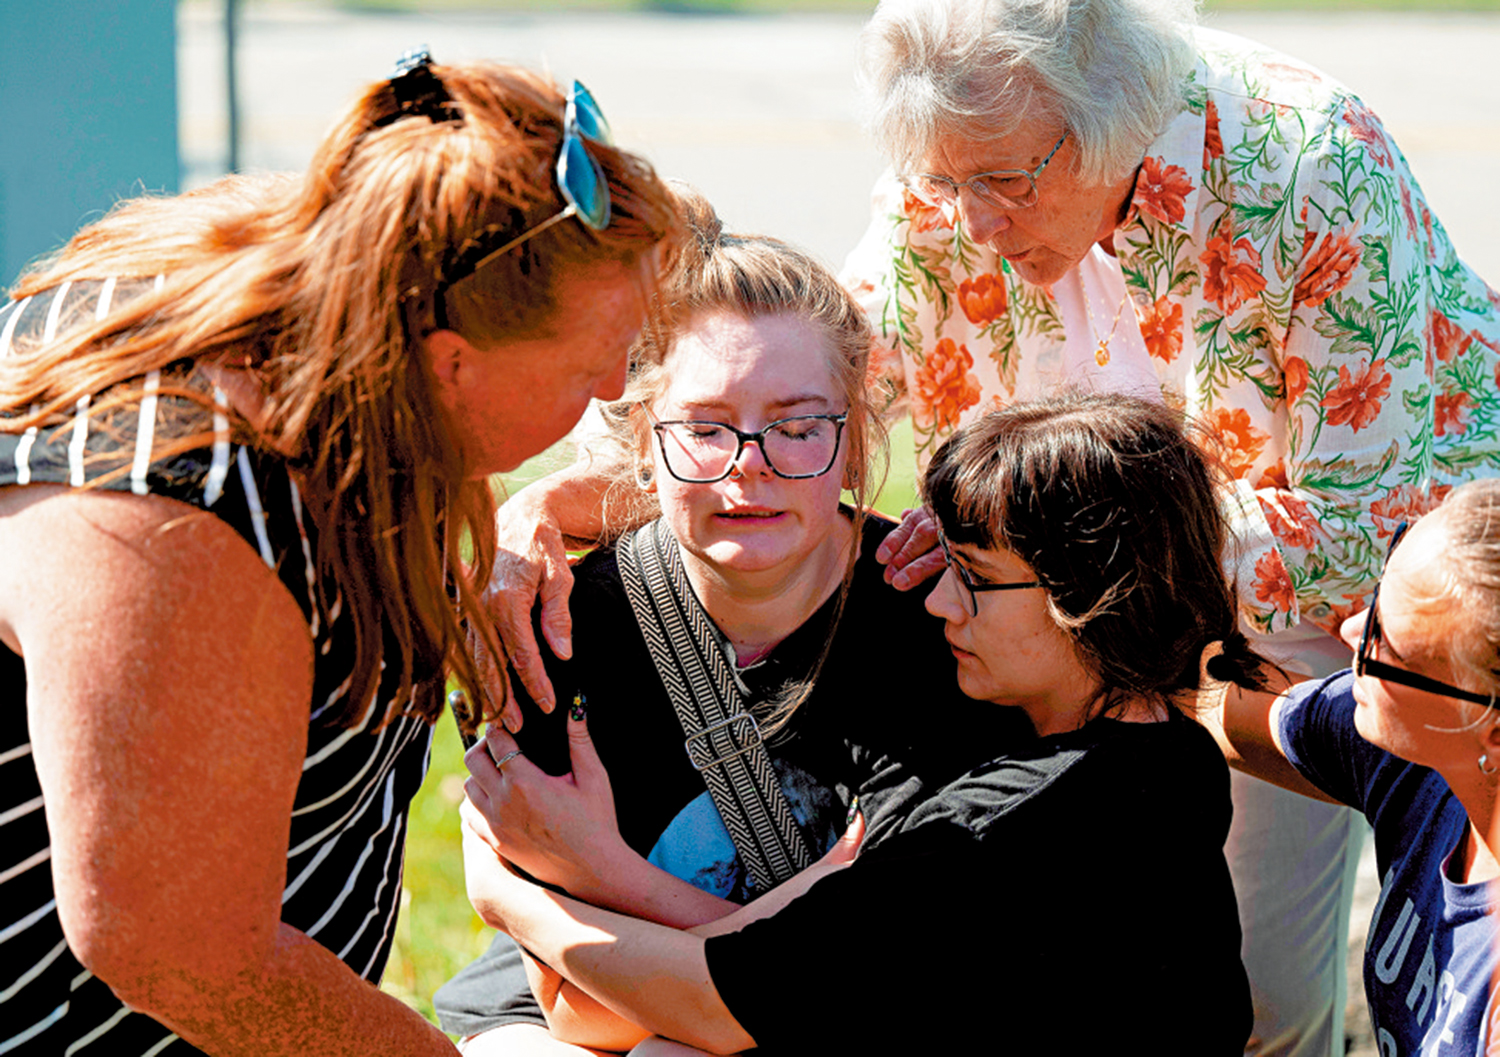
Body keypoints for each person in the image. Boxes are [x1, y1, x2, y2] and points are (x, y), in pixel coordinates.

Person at [835, 2, 1500, 1052]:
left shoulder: (1308, 161)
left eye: (1005, 181)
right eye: (946, 181)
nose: (973, 222)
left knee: (1261, 987)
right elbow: (833, 367)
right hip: (1076, 594)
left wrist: (1084, 553)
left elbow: (1365, 518)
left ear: (1113, 122)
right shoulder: (968, 148)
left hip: (1323, 597)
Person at [0, 50, 680, 1057]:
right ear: (452, 365)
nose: (618, 385)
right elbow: (173, 950)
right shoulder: (181, 509)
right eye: (593, 371)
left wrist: (506, 531)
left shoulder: (339, 296)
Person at [459, 392, 1255, 1055]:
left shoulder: (1007, 828)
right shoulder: (1171, 758)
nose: (937, 600)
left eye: (973, 578)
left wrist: (527, 885)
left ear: (1087, 595)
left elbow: (708, 998)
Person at [435, 193, 1030, 1054]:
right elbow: (580, 1010)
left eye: (795, 427)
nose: (750, 470)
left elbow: (861, 980)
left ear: (855, 432)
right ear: (645, 440)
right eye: (706, 430)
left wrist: (597, 869)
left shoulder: (933, 631)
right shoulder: (562, 622)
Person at [1199, 478, 1500, 1052]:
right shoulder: (1412, 758)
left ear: (1489, 724)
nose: (1348, 630)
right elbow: (1215, 709)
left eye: (1384, 641)